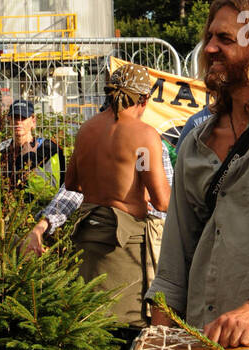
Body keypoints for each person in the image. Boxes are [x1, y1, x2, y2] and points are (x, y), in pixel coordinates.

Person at [147, 0, 249, 347]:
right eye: (209, 37)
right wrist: (156, 347)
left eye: (225, 39)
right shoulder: (195, 141)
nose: (210, 48)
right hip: (202, 347)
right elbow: (173, 262)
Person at [56, 64, 170, 334]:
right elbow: (162, 201)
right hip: (124, 242)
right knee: (127, 329)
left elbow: (71, 183)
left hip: (87, 234)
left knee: (91, 323)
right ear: (143, 99)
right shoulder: (144, 135)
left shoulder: (86, 130)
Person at [0, 100, 65, 202]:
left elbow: (50, 193)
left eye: (23, 118)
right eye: (15, 117)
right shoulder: (2, 149)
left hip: (39, 210)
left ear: (33, 121)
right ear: (9, 120)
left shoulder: (47, 149)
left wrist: (29, 162)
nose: (18, 122)